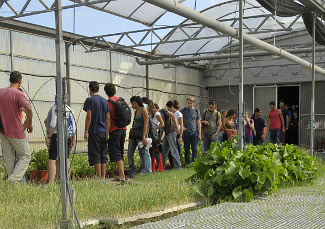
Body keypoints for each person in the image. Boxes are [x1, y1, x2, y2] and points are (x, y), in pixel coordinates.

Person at [0, 71, 33, 182]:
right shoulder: (18, 93)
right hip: (15, 131)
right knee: (26, 155)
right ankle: (12, 181)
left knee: (9, 158)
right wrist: (29, 122)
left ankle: (12, 185)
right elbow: (27, 108)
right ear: (20, 81)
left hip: (2, 131)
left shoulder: (1, 92)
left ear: (9, 80)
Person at [83, 81, 110, 179]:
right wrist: (107, 131)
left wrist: (85, 131)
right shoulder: (104, 101)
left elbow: (89, 116)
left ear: (90, 89)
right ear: (98, 89)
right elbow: (108, 118)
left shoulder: (89, 100)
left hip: (94, 132)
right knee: (103, 154)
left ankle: (98, 178)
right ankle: (103, 177)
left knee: (96, 154)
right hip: (103, 131)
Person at [46, 97, 76, 183]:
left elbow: (53, 123)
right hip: (68, 136)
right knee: (66, 157)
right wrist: (73, 139)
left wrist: (49, 137)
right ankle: (66, 180)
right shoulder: (69, 109)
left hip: (56, 135)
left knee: (52, 158)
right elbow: (73, 126)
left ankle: (51, 182)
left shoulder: (56, 108)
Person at [104, 83, 128, 181]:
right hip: (124, 129)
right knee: (121, 152)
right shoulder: (121, 100)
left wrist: (107, 132)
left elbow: (108, 119)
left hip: (114, 130)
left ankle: (122, 176)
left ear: (106, 92)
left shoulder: (108, 103)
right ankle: (121, 174)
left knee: (116, 153)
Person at [127, 96, 152, 177]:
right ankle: (132, 170)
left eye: (132, 103)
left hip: (140, 134)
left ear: (135, 102)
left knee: (142, 153)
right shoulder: (135, 111)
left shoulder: (143, 110)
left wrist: (144, 136)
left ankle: (142, 170)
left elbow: (146, 124)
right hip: (134, 134)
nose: (131, 105)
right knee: (130, 153)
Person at [180, 97, 201, 165]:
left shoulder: (196, 111)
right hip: (186, 132)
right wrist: (181, 127)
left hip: (194, 132)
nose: (189, 104)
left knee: (194, 149)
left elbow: (198, 122)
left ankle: (194, 163)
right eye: (188, 103)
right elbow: (178, 119)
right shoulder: (183, 110)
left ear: (193, 103)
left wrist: (200, 134)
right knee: (187, 149)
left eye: (191, 103)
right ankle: (187, 163)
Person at [161, 101, 181, 170]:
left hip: (171, 132)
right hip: (167, 133)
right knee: (164, 150)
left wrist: (176, 127)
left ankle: (178, 166)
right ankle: (161, 167)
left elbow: (173, 116)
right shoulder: (163, 112)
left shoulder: (163, 111)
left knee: (173, 150)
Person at [147, 100, 164, 173]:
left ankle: (160, 169)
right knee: (151, 153)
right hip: (150, 135)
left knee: (156, 152)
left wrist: (155, 128)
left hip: (155, 135)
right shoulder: (148, 114)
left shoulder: (156, 113)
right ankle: (152, 169)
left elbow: (162, 124)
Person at [167, 100, 183, 168]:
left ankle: (177, 165)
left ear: (171, 107)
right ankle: (173, 164)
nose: (168, 109)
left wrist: (180, 136)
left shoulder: (178, 114)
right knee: (170, 151)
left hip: (177, 132)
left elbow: (181, 125)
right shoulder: (171, 113)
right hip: (172, 132)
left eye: (168, 107)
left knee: (176, 150)